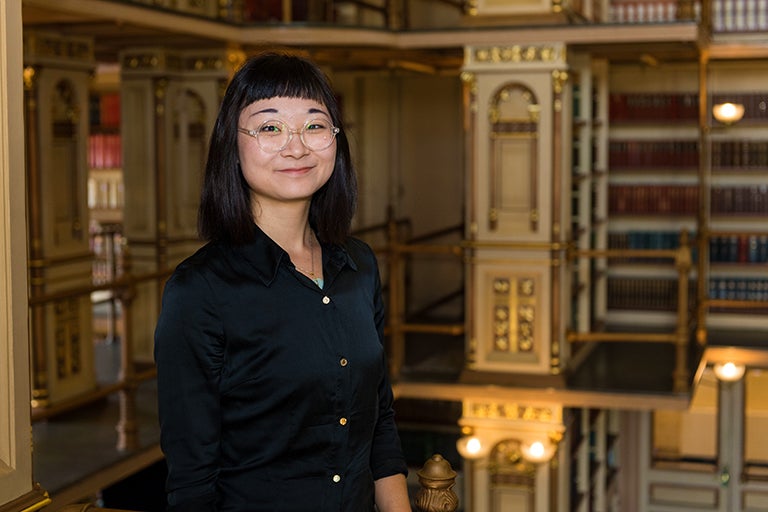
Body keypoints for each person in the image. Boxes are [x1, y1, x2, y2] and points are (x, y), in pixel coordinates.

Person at [154, 52, 411, 511]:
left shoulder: (360, 266)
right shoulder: (200, 290)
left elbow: (380, 425)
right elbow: (192, 480)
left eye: (314, 126)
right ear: (232, 144)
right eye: (270, 128)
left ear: (336, 140)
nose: (297, 147)